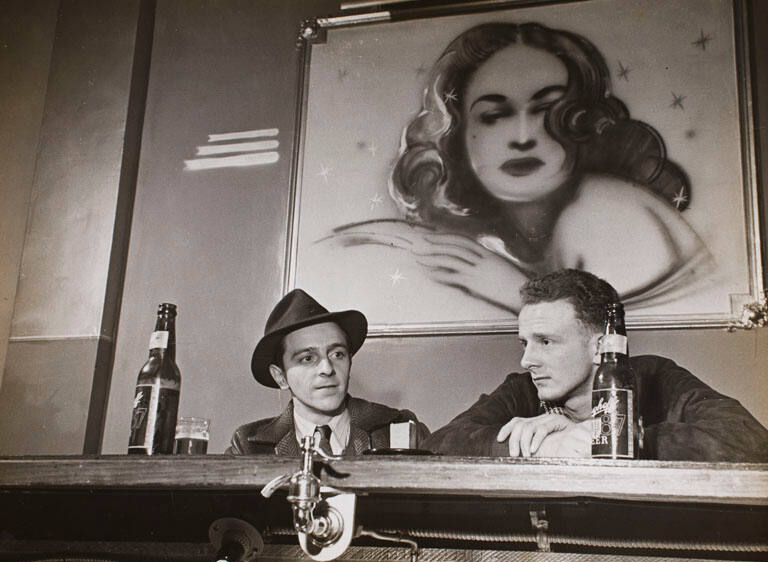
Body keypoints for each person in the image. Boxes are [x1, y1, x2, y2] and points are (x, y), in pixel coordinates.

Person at [322, 21, 712, 314]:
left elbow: (610, 354)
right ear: (457, 136)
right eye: (494, 116)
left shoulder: (608, 210)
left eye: (547, 110)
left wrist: (515, 293)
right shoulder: (495, 231)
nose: (523, 136)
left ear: (584, 122)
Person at [423, 269, 768, 462]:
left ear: (601, 347)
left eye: (545, 341)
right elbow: (439, 443)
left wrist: (608, 440)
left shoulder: (656, 376)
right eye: (525, 343)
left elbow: (749, 438)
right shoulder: (523, 388)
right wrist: (547, 447)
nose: (527, 360)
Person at [227, 289, 429, 455]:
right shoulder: (248, 446)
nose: (327, 369)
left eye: (337, 354)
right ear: (280, 376)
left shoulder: (398, 428)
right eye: (307, 358)